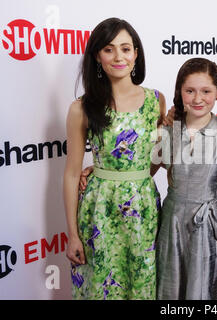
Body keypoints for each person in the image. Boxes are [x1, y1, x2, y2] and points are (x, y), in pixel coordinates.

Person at [63, 17, 165, 300]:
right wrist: (72, 234)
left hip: (143, 210)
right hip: (99, 210)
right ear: (97, 56)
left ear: (136, 54)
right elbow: (71, 173)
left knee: (142, 285)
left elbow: (152, 160)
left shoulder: (156, 100)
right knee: (101, 287)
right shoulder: (81, 108)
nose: (119, 56)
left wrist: (129, 178)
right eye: (109, 49)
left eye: (126, 48)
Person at [154, 58, 217, 300]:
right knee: (171, 286)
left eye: (206, 91)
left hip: (209, 225)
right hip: (173, 222)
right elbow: (140, 172)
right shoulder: (165, 131)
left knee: (207, 288)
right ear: (179, 91)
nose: (198, 99)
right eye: (189, 91)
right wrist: (98, 170)